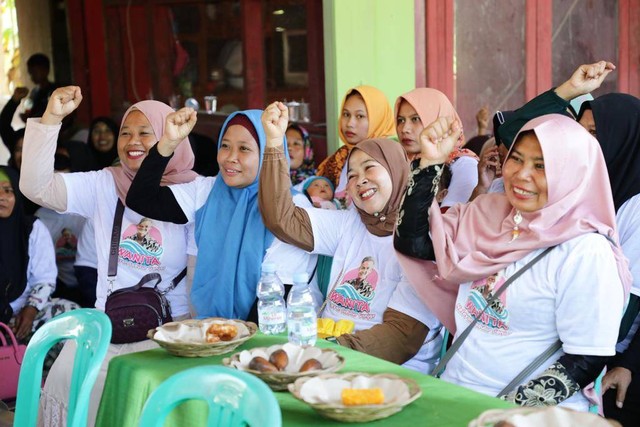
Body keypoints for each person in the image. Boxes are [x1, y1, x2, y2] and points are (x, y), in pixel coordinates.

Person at [394, 114, 631, 410]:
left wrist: (502, 412)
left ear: (574, 172)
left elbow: (586, 359)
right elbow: (413, 243)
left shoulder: (586, 251)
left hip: (528, 415)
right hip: (456, 397)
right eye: (516, 159)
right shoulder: (487, 215)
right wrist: (429, 163)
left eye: (541, 166)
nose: (521, 174)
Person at [19, 86, 198, 425]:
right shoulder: (105, 183)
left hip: (170, 334)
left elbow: (197, 271)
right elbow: (36, 187)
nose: (133, 140)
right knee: (70, 387)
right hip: (107, 331)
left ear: (170, 137)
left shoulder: (192, 192)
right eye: (125, 132)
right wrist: (51, 118)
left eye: (146, 133)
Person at [259, 101, 442, 374]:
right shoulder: (348, 223)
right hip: (326, 355)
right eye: (352, 175)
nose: (359, 181)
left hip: (388, 372)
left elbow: (400, 336)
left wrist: (328, 351)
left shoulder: (422, 240)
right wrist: (274, 143)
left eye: (370, 168)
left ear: (396, 171)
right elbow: (282, 219)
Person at [126, 109, 320, 322]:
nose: (230, 158)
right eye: (225, 146)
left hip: (267, 334)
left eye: (244, 149)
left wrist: (229, 342)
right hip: (210, 329)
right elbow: (141, 199)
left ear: (267, 153)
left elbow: (276, 297)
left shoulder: (292, 208)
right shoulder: (207, 190)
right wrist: (168, 144)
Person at [0, 166, 79, 374]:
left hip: (23, 313)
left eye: (8, 190)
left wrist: (31, 309)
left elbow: (45, 278)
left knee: (71, 314)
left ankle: (48, 384)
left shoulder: (32, 228)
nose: (2, 197)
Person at [395, 88, 478, 209]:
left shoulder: (463, 164)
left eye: (415, 119)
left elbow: (448, 220)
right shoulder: (399, 162)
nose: (404, 129)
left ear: (439, 119)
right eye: (400, 120)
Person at [316, 85, 395, 192]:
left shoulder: (388, 158)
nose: (350, 124)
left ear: (378, 119)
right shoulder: (339, 158)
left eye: (360, 116)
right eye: (346, 114)